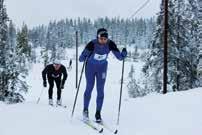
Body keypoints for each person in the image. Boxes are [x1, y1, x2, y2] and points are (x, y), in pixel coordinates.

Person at [79, 28, 127, 122]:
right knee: (89, 88)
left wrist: (123, 54)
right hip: (90, 68)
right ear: (97, 37)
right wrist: (83, 56)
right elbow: (81, 58)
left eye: (105, 39)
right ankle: (85, 110)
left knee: (100, 90)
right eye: (101, 39)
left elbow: (120, 57)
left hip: (102, 69)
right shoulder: (92, 44)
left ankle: (98, 113)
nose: (103, 41)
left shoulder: (110, 44)